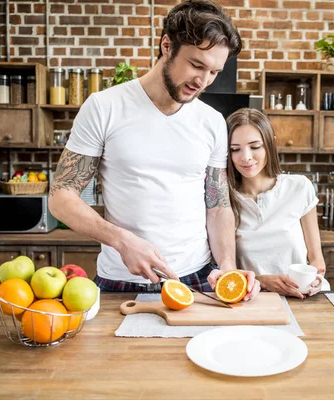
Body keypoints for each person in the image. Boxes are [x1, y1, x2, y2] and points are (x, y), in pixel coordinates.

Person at [48, 0, 259, 300]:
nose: (202, 82)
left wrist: (227, 266)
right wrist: (121, 241)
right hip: (121, 279)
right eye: (197, 65)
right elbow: (60, 197)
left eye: (214, 72)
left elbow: (218, 205)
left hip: (197, 277)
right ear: (167, 46)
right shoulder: (104, 107)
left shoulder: (212, 122)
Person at [226, 108, 330, 299]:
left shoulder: (299, 187)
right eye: (235, 149)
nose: (246, 157)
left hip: (301, 297)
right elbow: (226, 272)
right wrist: (263, 281)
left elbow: (317, 260)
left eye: (255, 146)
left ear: (270, 143)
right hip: (251, 299)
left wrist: (315, 279)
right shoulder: (224, 200)